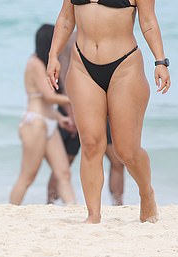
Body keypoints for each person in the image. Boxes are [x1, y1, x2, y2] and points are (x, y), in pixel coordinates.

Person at [47, 0, 171, 223]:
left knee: (126, 151)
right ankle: (93, 216)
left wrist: (161, 60)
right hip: (83, 65)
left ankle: (147, 192)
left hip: (124, 66)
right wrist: (53, 56)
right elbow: (64, 18)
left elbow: (148, 22)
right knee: (91, 143)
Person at [46, 33, 126, 206]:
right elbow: (65, 75)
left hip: (103, 109)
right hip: (73, 107)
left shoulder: (107, 37)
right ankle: (50, 202)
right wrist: (71, 111)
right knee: (65, 162)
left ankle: (118, 203)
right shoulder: (70, 39)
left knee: (117, 160)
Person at [9, 24, 77, 206]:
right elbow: (49, 97)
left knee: (63, 173)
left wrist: (60, 118)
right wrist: (75, 99)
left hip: (48, 121)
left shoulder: (46, 64)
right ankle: (10, 212)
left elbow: (46, 103)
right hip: (34, 124)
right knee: (27, 177)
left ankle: (73, 208)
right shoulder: (35, 63)